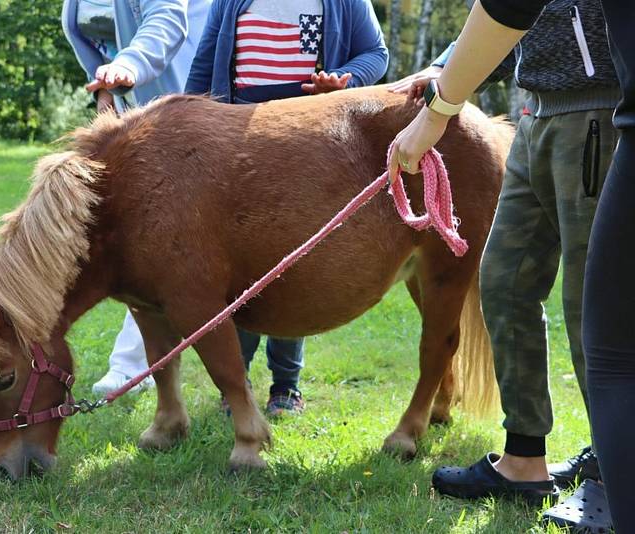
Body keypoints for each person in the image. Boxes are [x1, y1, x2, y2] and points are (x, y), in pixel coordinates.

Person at [387, 0, 634, 531]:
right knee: (504, 282)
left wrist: (440, 107)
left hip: (597, 116)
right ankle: (524, 458)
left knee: (595, 308)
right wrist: (443, 71)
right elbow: (504, 14)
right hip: (536, 115)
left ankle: (617, 477)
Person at [185, 0, 388, 415]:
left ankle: (285, 388)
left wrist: (345, 82)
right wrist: (184, 131)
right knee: (239, 269)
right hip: (237, 150)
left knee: (290, 265)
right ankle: (234, 385)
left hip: (305, 150)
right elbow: (204, 66)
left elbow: (376, 54)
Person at [62, 0, 211, 394]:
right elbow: (84, 35)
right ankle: (140, 362)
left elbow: (167, 19)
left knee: (152, 239)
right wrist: (107, 89)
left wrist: (130, 62)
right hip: (134, 109)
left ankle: (132, 364)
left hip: (187, 103)